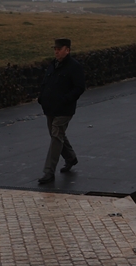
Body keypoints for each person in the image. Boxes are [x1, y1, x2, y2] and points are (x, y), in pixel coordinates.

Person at [37, 37, 86, 184]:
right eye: (55, 49)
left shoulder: (74, 67)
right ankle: (71, 158)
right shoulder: (53, 64)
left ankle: (48, 172)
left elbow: (79, 87)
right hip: (50, 108)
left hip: (64, 109)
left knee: (56, 136)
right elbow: (46, 82)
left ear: (67, 50)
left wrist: (65, 100)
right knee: (57, 135)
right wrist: (41, 97)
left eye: (59, 49)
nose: (56, 52)